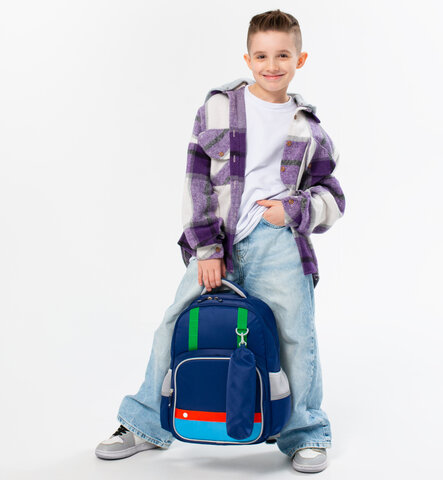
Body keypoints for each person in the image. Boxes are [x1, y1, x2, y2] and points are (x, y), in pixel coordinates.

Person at [95, 9, 346, 474]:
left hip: (278, 243)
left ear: (300, 59)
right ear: (247, 59)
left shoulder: (310, 128)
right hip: (222, 240)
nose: (272, 65)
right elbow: (196, 182)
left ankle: (305, 433)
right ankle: (144, 424)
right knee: (173, 323)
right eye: (262, 56)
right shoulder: (218, 108)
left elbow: (332, 196)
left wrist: (291, 210)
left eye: (283, 55)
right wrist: (208, 248)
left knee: (297, 335)